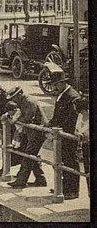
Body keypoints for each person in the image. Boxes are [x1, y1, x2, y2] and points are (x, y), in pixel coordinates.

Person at [46, 71, 81, 199]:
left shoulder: (72, 96)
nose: (54, 87)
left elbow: (72, 119)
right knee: (63, 161)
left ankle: (72, 191)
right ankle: (64, 187)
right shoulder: (62, 94)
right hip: (61, 134)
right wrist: (50, 124)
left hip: (68, 135)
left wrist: (59, 129)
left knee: (71, 161)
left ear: (62, 83)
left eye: (55, 84)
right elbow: (57, 115)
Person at [6, 86, 48, 189]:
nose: (13, 100)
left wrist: (15, 119)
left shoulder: (29, 102)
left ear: (19, 95)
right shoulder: (23, 102)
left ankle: (21, 181)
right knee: (31, 155)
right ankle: (40, 179)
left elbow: (28, 118)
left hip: (38, 132)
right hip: (31, 132)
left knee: (28, 155)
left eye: (14, 98)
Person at [74, 96, 89, 194]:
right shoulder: (80, 116)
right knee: (87, 170)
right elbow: (76, 129)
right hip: (84, 147)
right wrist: (78, 133)